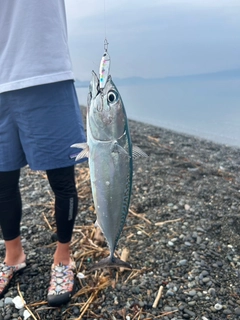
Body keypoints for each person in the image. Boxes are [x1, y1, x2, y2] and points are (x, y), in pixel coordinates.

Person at [0, 1, 86, 306]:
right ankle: (13, 255)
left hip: (46, 73)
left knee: (62, 179)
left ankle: (64, 257)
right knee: (3, 183)